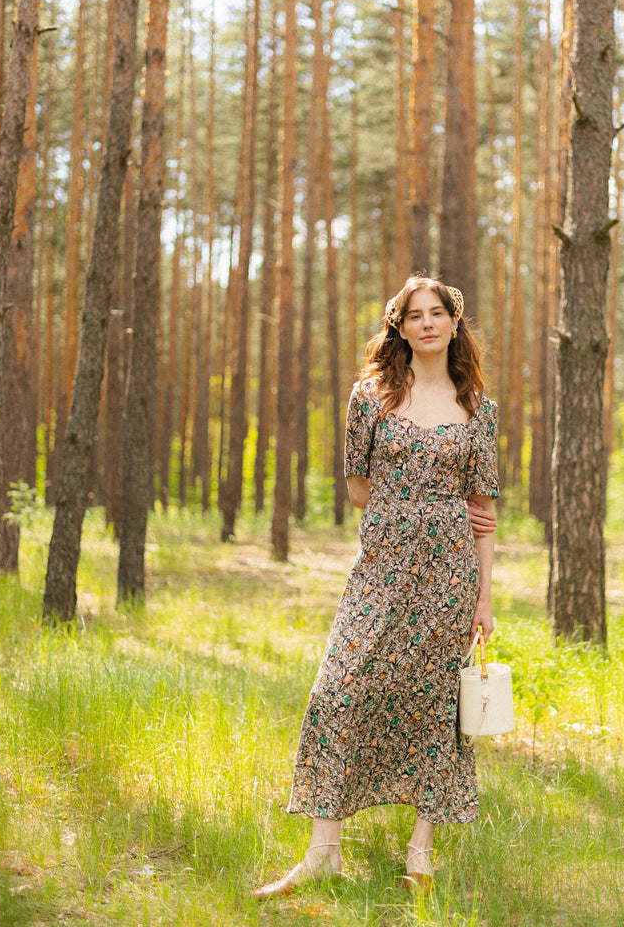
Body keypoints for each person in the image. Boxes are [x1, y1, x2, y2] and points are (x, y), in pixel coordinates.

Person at [254, 275, 499, 900]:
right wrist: (411, 508)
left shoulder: (478, 409)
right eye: (413, 315)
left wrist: (484, 599)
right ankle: (323, 852)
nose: (426, 324)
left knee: (435, 705)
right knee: (338, 689)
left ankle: (421, 851)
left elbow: (485, 512)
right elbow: (357, 489)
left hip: (449, 573)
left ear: (452, 322)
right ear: (400, 326)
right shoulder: (370, 397)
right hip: (383, 563)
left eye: (436, 313)